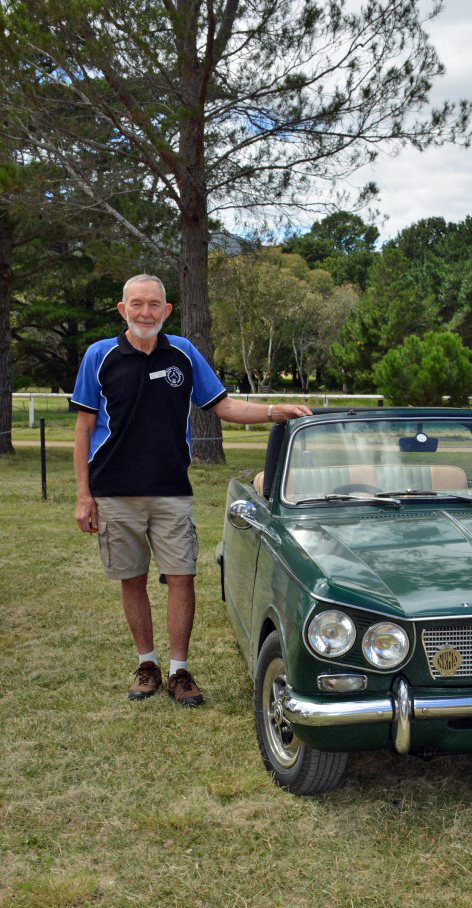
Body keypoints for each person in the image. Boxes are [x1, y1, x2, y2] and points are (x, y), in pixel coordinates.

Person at [72, 274, 311, 706]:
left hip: (172, 491)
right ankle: (147, 665)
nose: (146, 312)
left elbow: (225, 405)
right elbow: (84, 428)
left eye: (154, 304)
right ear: (123, 310)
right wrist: (84, 496)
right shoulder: (99, 356)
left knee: (181, 578)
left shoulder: (183, 352)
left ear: (167, 311)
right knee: (132, 579)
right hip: (114, 492)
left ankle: (179, 670)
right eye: (137, 304)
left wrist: (276, 411)